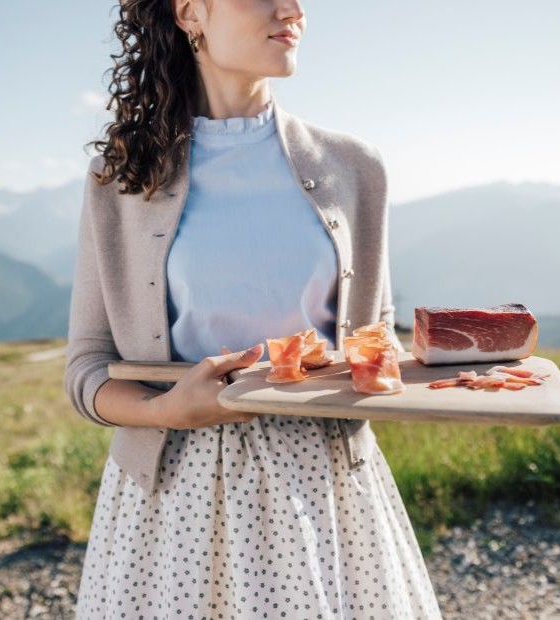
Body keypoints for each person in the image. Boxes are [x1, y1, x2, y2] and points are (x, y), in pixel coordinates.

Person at [64, 0, 443, 617]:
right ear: (191, 12)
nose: (292, 9)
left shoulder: (356, 167)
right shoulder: (122, 177)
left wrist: (467, 373)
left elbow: (374, 344)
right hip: (173, 492)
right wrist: (164, 411)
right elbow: (87, 366)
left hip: (324, 485)